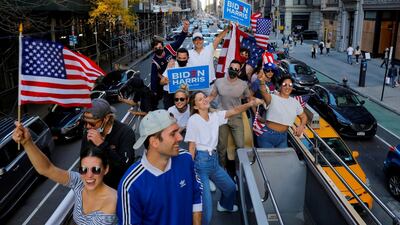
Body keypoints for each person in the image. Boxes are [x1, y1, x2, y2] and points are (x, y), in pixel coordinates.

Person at [12, 124, 118, 225]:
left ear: (106, 169)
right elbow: (47, 169)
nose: (88, 175)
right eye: (84, 169)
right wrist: (27, 142)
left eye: (95, 169)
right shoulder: (79, 182)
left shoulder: (113, 202)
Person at [185, 91, 263, 225]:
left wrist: (250, 103)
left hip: (214, 161)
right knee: (207, 210)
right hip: (201, 163)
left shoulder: (215, 116)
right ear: (196, 106)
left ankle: (224, 205)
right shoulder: (193, 120)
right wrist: (190, 170)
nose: (204, 100)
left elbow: (235, 110)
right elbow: (191, 147)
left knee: (231, 187)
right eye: (199, 100)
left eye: (204, 97)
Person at [117, 110, 202, 225]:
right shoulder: (130, 185)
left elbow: (196, 195)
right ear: (154, 142)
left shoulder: (186, 159)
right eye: (173, 134)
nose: (180, 138)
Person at [207, 60, 251, 176]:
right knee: (221, 146)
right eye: (232, 68)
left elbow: (248, 98)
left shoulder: (243, 84)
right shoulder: (219, 82)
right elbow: (211, 96)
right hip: (222, 116)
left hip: (236, 117)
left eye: (236, 69)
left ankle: (239, 170)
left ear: (240, 71)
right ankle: (222, 169)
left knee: (240, 146)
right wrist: (201, 103)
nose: (234, 71)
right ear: (228, 68)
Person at [81, 98, 136, 189]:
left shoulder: (125, 133)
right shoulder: (88, 133)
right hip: (97, 186)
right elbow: (83, 160)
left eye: (92, 123)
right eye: (85, 123)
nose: (88, 127)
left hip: (118, 188)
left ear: (106, 118)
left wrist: (102, 145)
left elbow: (125, 167)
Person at [256, 75, 308, 148]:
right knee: (268, 159)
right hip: (267, 135)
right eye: (284, 85)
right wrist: (261, 82)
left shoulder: (295, 102)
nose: (287, 87)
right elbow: (263, 92)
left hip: (283, 137)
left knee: (282, 159)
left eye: (290, 85)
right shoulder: (272, 97)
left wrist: (301, 126)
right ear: (280, 86)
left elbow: (303, 116)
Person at [151, 20, 189, 109]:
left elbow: (179, 41)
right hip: (167, 86)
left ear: (163, 47)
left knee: (183, 106)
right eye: (156, 48)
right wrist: (154, 93)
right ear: (153, 50)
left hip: (179, 81)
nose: (158, 49)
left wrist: (185, 29)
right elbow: (153, 79)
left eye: (160, 47)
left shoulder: (169, 48)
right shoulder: (155, 62)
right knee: (169, 109)